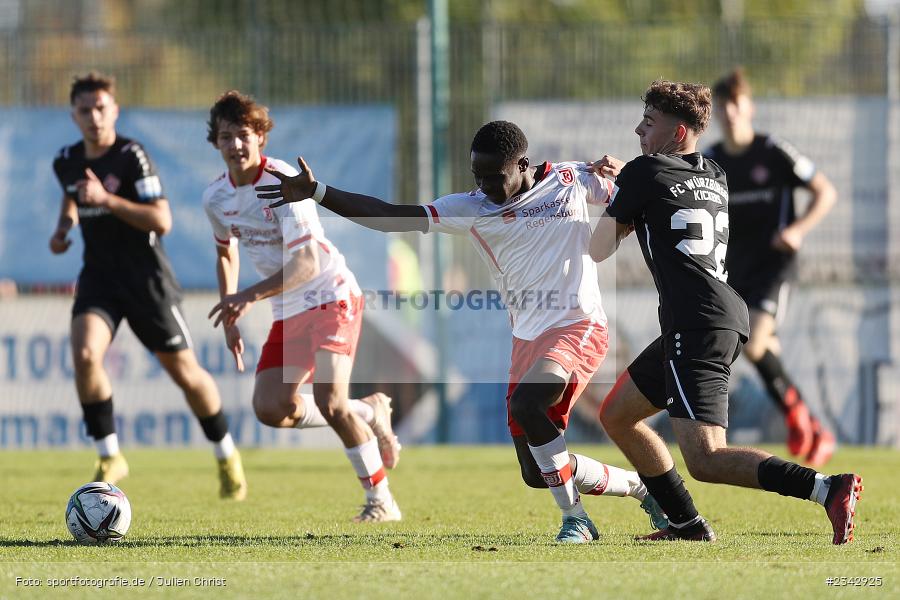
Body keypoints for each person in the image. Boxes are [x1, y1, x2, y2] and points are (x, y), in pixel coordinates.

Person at [256, 120, 669, 543]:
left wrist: (629, 175)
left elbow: (635, 203)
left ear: (523, 163)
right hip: (528, 339)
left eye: (495, 176)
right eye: (478, 176)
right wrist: (319, 192)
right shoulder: (471, 208)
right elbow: (391, 218)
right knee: (535, 470)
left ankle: (576, 520)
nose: (486, 185)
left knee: (530, 405)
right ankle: (643, 487)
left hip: (578, 325)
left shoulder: (573, 178)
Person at [589, 80, 861, 544]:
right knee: (617, 415)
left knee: (707, 458)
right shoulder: (713, 171)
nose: (638, 129)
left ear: (676, 134)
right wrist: (630, 180)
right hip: (712, 317)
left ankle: (825, 488)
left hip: (695, 325)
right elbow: (662, 185)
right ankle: (685, 524)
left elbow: (598, 249)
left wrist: (616, 191)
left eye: (648, 122)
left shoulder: (643, 174)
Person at [202, 91, 402, 523]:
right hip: (289, 308)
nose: (235, 145)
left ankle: (381, 500)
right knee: (272, 408)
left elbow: (308, 261)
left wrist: (249, 296)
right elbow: (225, 252)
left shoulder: (282, 181)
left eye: (242, 135)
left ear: (260, 137)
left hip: (331, 296)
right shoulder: (216, 197)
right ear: (215, 143)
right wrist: (230, 312)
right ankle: (370, 410)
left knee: (332, 402)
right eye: (225, 137)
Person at [50, 72, 246, 499]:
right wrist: (64, 227)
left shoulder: (132, 156)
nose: (94, 117)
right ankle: (109, 453)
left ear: (114, 110)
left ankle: (225, 452)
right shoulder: (65, 159)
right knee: (84, 355)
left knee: (186, 373)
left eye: (101, 108)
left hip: (147, 280)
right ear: (74, 115)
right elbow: (71, 193)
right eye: (85, 110)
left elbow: (162, 220)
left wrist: (106, 200)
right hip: (99, 277)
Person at [705, 68, 837, 466]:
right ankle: (815, 427)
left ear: (749, 107)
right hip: (737, 268)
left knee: (757, 342)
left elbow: (825, 191)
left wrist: (797, 230)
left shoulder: (774, 150)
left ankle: (798, 418)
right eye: (723, 105)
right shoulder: (712, 160)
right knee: (758, 349)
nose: (730, 111)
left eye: (736, 103)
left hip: (774, 265)